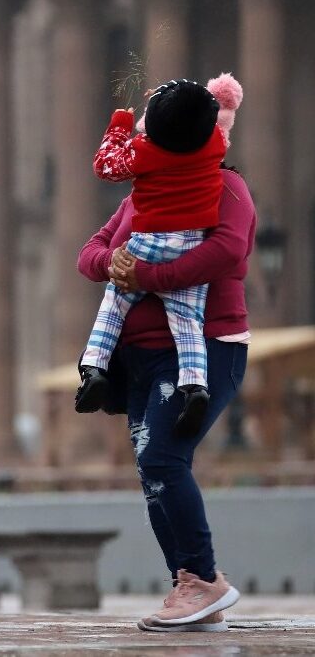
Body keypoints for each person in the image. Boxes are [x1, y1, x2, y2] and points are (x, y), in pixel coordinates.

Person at [78, 156, 254, 631]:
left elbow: (227, 251)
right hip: (139, 357)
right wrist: (109, 262)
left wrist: (147, 277)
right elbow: (90, 250)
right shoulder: (143, 194)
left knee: (161, 457)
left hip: (206, 348)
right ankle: (193, 590)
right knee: (150, 465)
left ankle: (202, 579)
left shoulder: (227, 186)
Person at [77, 75, 242, 438]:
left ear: (151, 129)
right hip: (188, 242)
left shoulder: (145, 151)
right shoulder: (213, 143)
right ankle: (195, 386)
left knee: (113, 305)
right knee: (188, 324)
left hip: (149, 242)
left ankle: (93, 367)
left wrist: (120, 125)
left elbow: (106, 165)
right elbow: (210, 118)